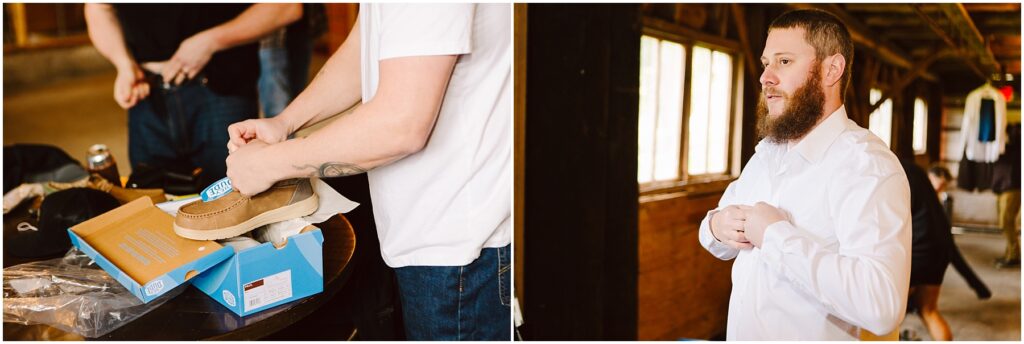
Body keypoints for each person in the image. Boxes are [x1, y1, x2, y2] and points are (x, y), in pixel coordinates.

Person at [224, 4, 511, 340]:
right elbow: (367, 43)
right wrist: (284, 122)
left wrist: (269, 164)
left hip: (462, 248)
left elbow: (400, 125)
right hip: (429, 229)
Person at [698, 9, 911, 340]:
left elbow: (881, 304)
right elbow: (713, 235)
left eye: (783, 62)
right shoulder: (767, 154)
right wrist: (716, 225)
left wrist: (774, 237)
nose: (765, 76)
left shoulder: (866, 165)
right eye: (767, 62)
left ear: (831, 70)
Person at [85, 3, 302, 188]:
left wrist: (211, 41)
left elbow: (286, 7)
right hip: (146, 96)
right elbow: (99, 8)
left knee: (233, 198)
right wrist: (124, 64)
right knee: (152, 204)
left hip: (222, 92)